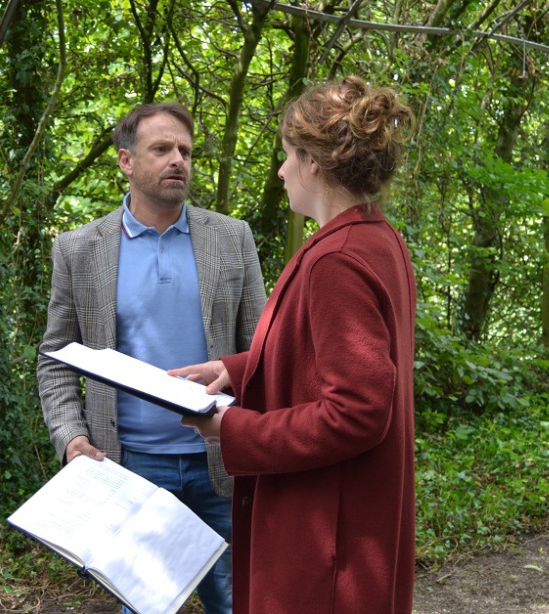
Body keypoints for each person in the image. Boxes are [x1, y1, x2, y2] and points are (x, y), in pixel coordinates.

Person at [169, 77, 417, 613]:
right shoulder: (377, 239)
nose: (281, 171)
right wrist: (239, 369)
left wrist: (232, 428)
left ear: (314, 163)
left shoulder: (337, 259)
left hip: (327, 543)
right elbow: (325, 353)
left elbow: (357, 412)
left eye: (288, 155)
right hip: (346, 524)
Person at [37, 102, 266, 613]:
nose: (177, 159)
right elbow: (55, 357)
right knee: (142, 607)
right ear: (126, 161)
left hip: (221, 462)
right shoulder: (79, 249)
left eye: (185, 150)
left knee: (236, 603)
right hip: (130, 468)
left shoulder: (232, 238)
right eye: (161, 149)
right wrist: (70, 437)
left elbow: (263, 348)